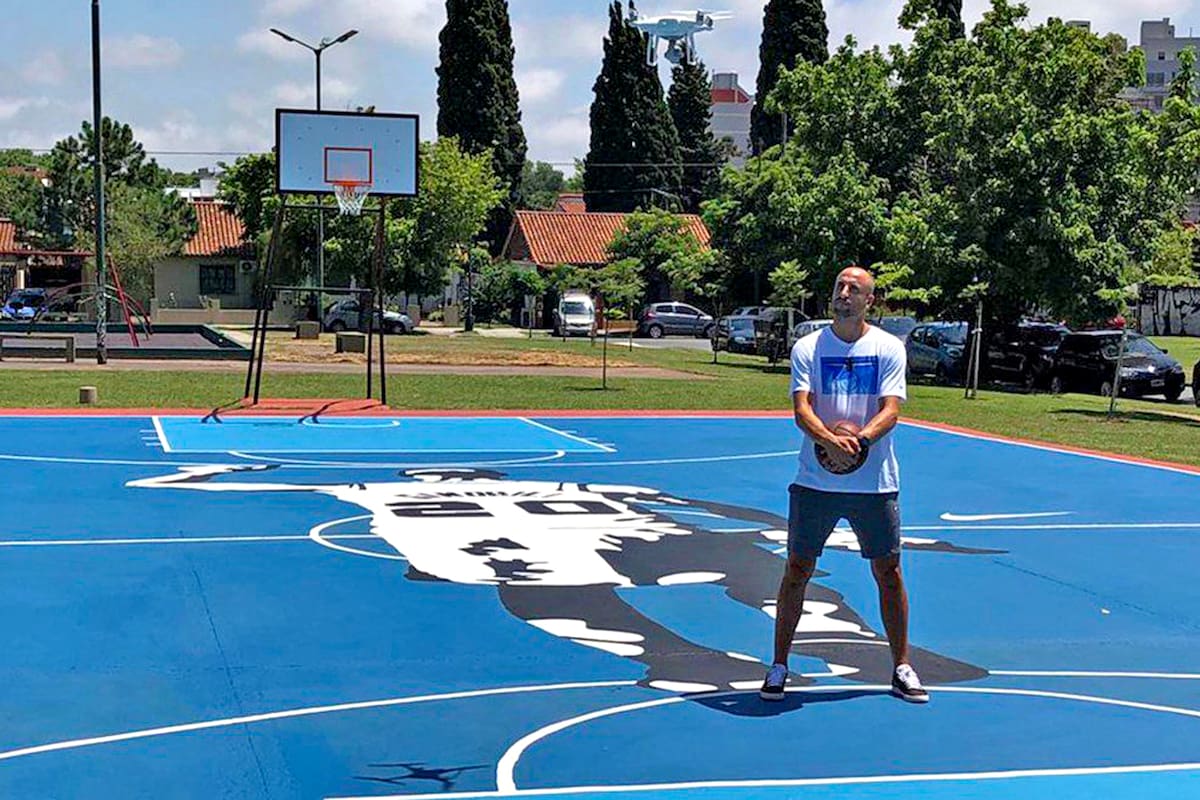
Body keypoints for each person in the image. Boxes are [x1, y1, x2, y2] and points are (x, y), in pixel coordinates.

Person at [760, 266, 928, 704]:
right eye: (839, 286)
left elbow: (892, 409)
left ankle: (902, 666)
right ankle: (779, 665)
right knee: (797, 569)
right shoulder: (808, 347)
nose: (844, 293)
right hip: (815, 482)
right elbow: (802, 409)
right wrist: (830, 442)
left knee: (888, 572)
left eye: (854, 289)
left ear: (870, 300)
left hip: (874, 485)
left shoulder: (889, 347)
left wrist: (859, 444)